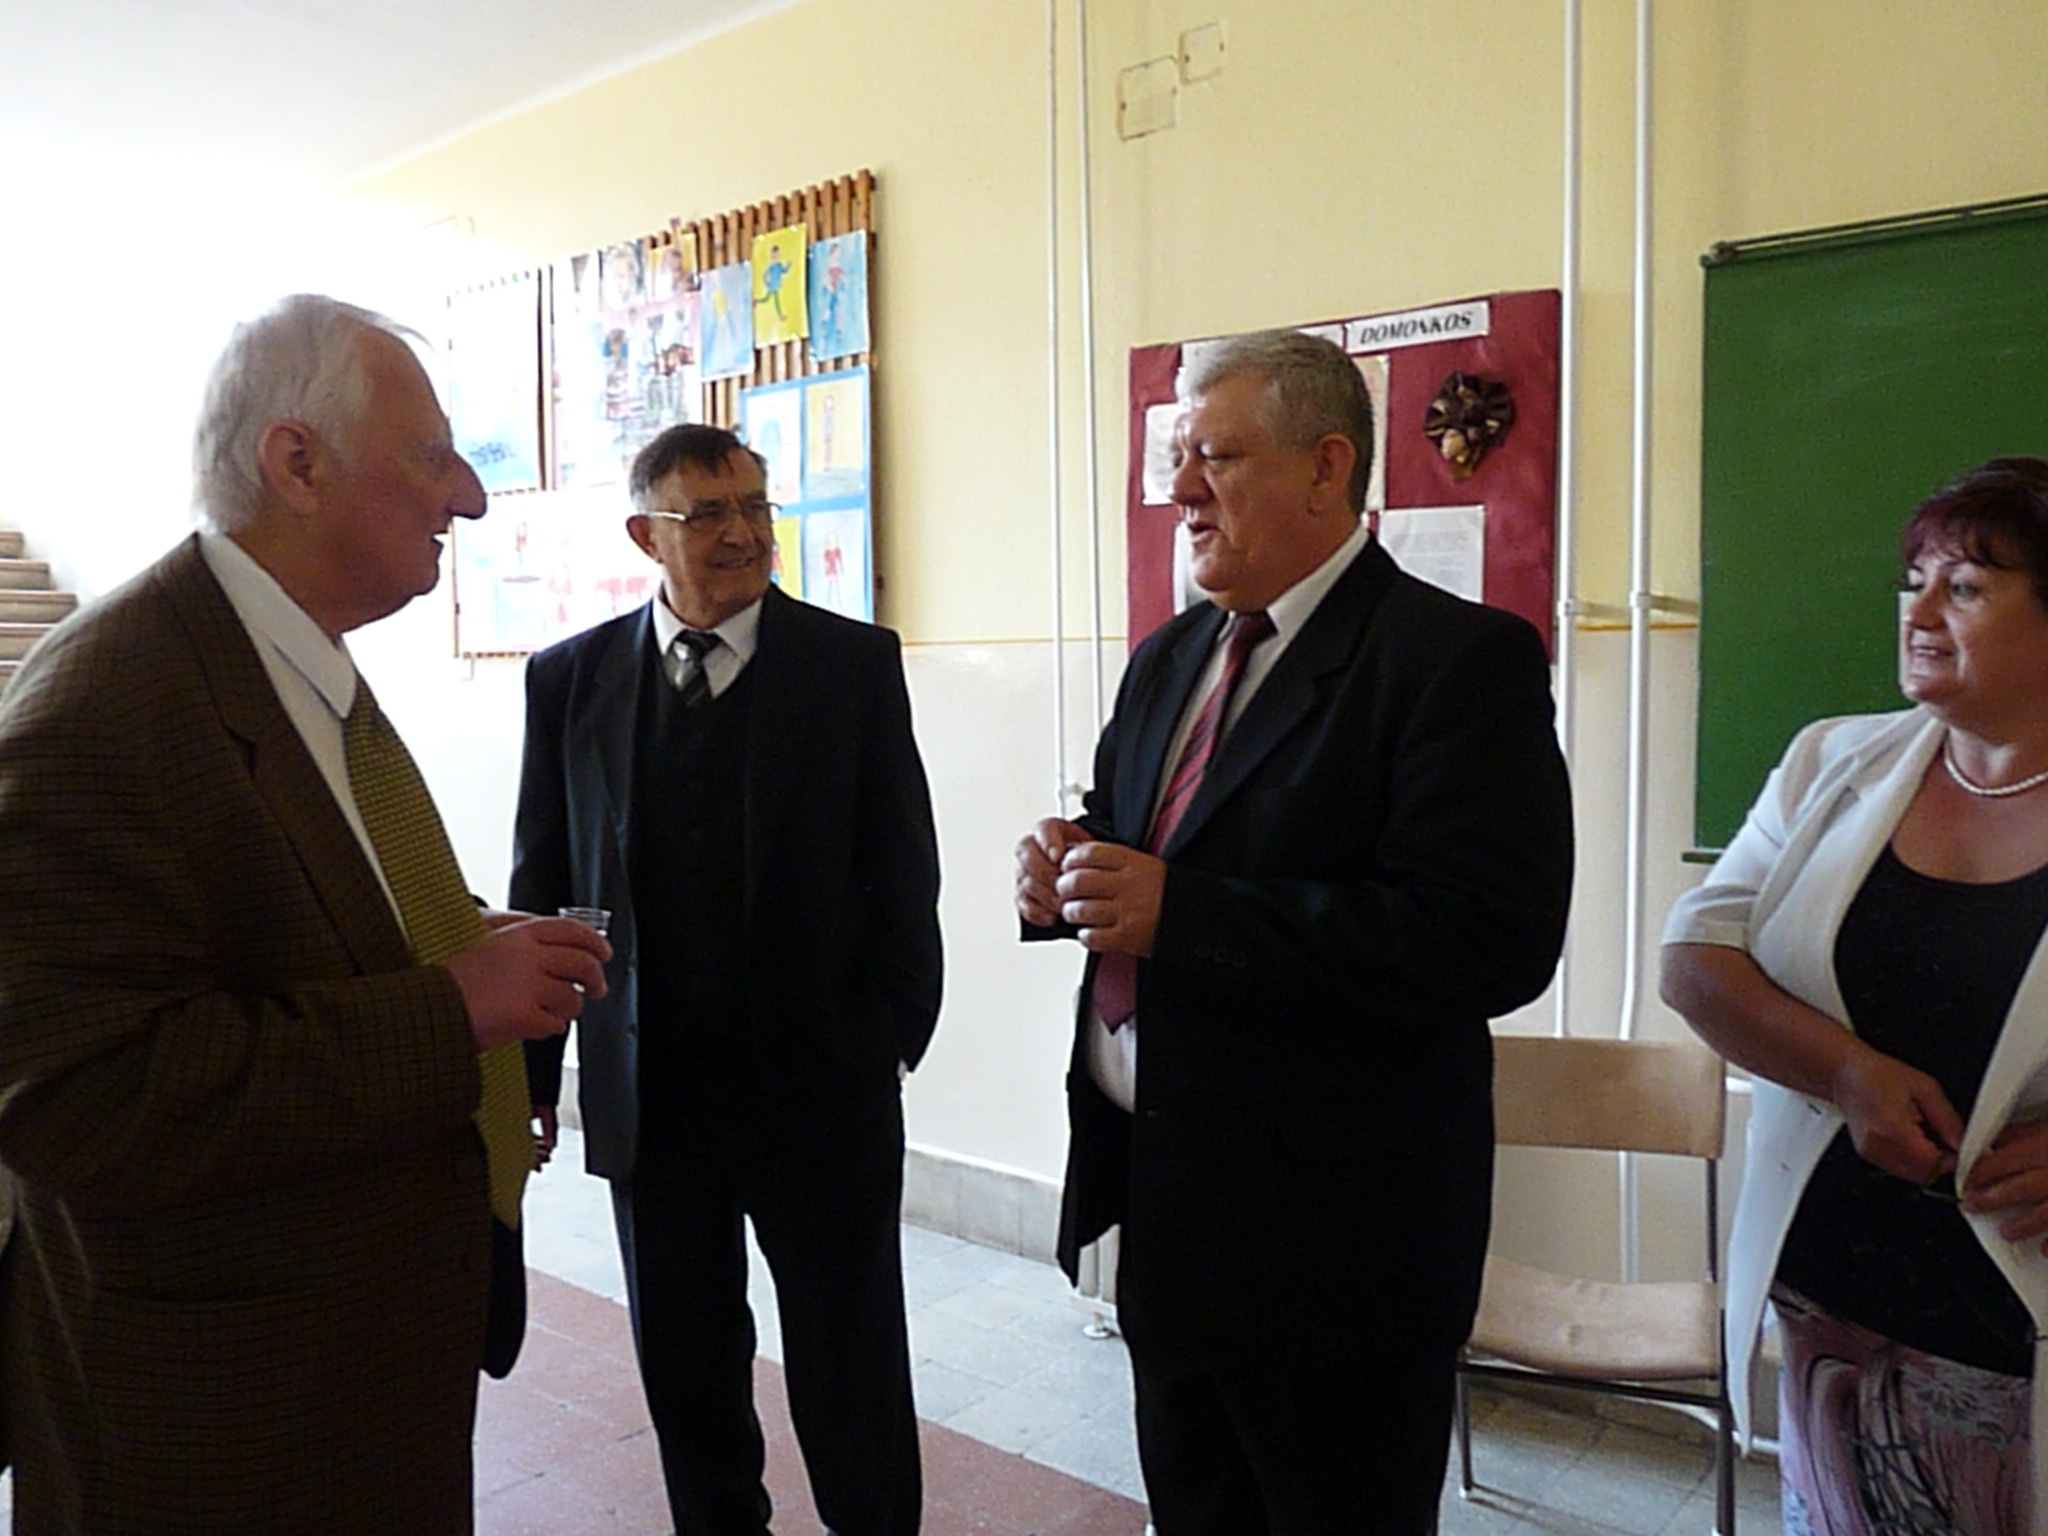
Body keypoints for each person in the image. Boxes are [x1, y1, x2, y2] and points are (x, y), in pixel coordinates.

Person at [0, 293, 610, 1534]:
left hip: (354, 1379)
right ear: (297, 462)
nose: (468, 499)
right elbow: (77, 1099)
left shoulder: (279, 662)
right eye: (432, 456)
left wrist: (450, 936)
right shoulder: (107, 703)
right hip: (223, 1426)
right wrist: (449, 1007)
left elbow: (282, 920)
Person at [1013, 328, 1573, 1535]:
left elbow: (1489, 939)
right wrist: (1064, 870)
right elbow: (1140, 834)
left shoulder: (1453, 661)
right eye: (1175, 458)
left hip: (1337, 1244)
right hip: (1165, 1198)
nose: (1178, 491)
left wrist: (1182, 913)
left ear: (1325, 468)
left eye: (1212, 457)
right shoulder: (1171, 656)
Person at [510, 422, 942, 1536]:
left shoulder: (850, 665)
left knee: (850, 1363)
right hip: (653, 1099)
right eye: (708, 514)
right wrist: (532, 1076)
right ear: (644, 534)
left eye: (755, 506)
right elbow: (544, 882)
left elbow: (903, 867)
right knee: (687, 1365)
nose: (744, 533)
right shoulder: (570, 680)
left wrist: (887, 1036)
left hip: (821, 1089)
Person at [1663, 456, 2048, 1536]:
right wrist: (1845, 1072)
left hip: (2017, 1323)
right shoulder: (1831, 760)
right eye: (1912, 581)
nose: (1917, 613)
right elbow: (1695, 958)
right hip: (1839, 1307)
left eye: (1965, 588)